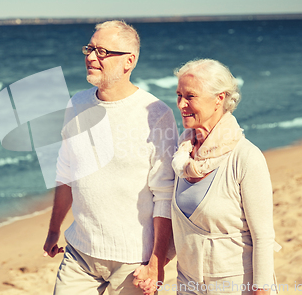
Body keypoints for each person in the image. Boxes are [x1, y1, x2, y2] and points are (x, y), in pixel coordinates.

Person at [43, 20, 178, 295]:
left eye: (102, 51)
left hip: (133, 260)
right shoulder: (77, 104)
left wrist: (156, 262)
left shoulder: (156, 113)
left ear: (129, 61)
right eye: (90, 49)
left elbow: (164, 195)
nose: (91, 57)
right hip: (79, 252)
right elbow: (66, 174)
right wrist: (54, 229)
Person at [141, 59, 278, 295]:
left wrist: (262, 289)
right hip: (188, 283)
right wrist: (155, 264)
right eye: (178, 95)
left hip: (234, 285)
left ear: (219, 98)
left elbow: (263, 236)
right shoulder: (182, 156)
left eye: (190, 96)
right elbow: (184, 228)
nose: (181, 104)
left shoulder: (246, 157)